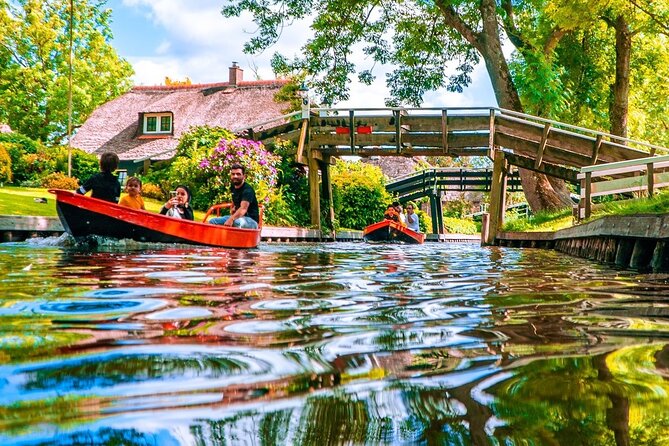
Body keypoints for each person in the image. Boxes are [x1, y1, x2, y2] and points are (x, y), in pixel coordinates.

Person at [209, 163, 259, 229]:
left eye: (238, 174)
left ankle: (236, 239)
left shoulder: (248, 190)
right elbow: (235, 199)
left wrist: (231, 219)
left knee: (236, 222)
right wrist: (234, 208)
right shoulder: (233, 186)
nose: (235, 176)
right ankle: (218, 239)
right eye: (233, 174)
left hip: (251, 220)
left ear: (244, 176)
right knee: (213, 221)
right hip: (239, 217)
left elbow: (243, 209)